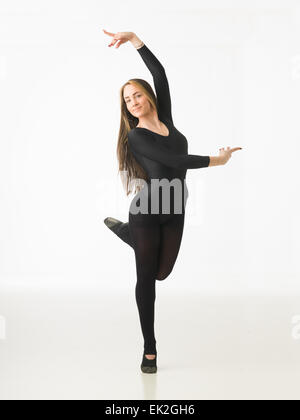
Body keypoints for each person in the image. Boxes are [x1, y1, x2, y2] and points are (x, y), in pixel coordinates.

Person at [102, 30, 242, 374]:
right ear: (126, 108)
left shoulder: (165, 117)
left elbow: (160, 73)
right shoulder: (137, 135)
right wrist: (216, 160)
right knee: (148, 279)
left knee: (163, 272)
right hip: (147, 212)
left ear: (148, 97)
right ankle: (149, 348)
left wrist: (135, 39)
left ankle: (126, 235)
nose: (133, 101)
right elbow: (176, 162)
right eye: (127, 100)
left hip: (176, 205)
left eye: (137, 95)